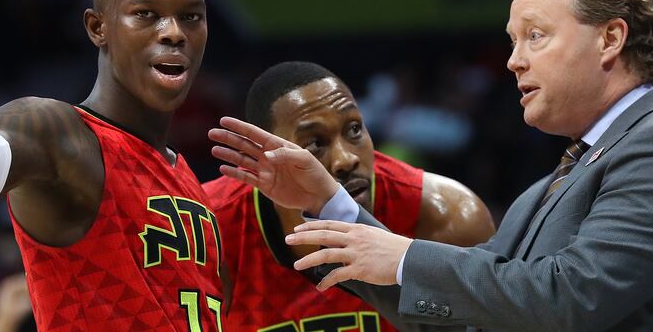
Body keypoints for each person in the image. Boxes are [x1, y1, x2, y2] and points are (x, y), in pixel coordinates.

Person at [209, 0, 653, 331]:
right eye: (511, 41)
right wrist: (329, 205)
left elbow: (571, 299)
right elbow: (461, 315)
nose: (514, 60)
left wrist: (407, 256)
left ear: (611, 39)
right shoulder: (545, 190)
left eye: (535, 35)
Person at [0, 0, 225, 331]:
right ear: (97, 27)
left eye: (191, 16)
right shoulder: (61, 134)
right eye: (146, 14)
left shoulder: (188, 181)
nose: (174, 33)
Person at [204, 61, 495, 331]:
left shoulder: (443, 217)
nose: (346, 160)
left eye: (354, 129)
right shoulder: (209, 228)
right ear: (262, 157)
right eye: (315, 143)